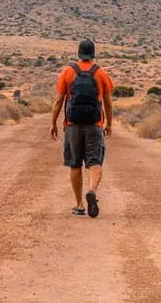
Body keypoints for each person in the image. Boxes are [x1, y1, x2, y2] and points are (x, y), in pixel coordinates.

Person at [50, 38, 113, 218]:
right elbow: (108, 103)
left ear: (79, 54)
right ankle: (92, 190)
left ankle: (79, 205)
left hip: (72, 125)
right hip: (94, 125)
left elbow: (58, 101)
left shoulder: (68, 72)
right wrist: (109, 123)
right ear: (93, 54)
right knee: (95, 162)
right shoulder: (100, 73)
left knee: (75, 164)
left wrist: (53, 123)